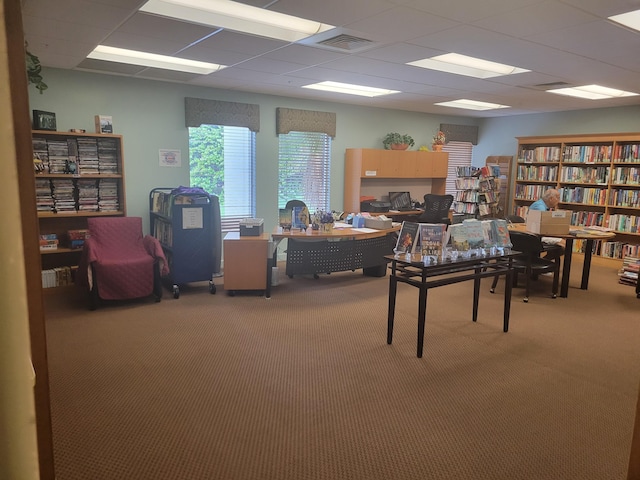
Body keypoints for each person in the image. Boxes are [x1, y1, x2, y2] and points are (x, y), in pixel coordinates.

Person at [528, 188, 564, 259]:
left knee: (561, 244)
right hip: (536, 235)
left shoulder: (541, 205)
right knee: (564, 245)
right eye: (558, 198)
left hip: (539, 233)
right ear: (551, 198)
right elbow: (544, 224)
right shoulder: (540, 207)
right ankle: (542, 262)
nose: (558, 201)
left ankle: (542, 261)